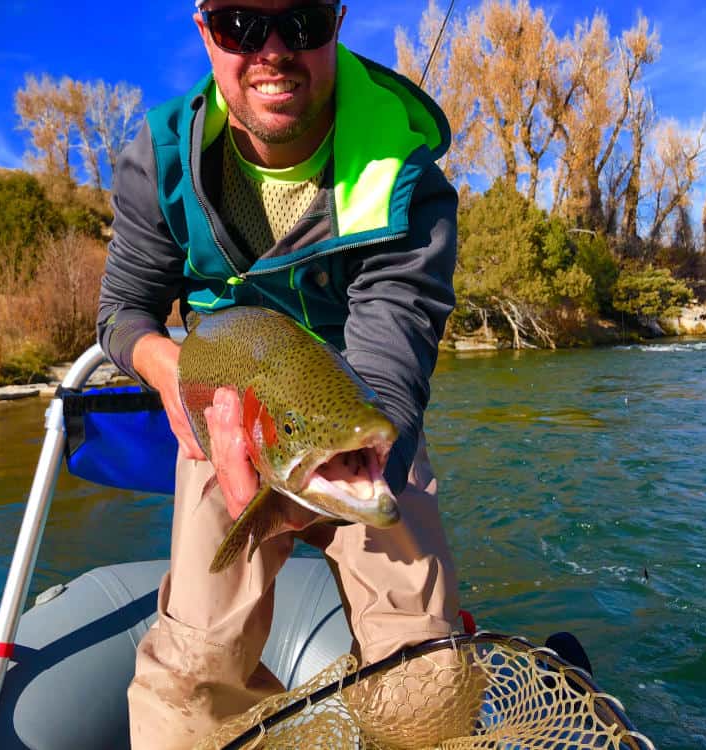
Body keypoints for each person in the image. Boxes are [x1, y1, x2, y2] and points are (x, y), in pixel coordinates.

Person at [97, 1, 462, 746]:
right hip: (222, 411)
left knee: (427, 679)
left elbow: (396, 339)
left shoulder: (403, 167)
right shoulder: (160, 156)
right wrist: (168, 370)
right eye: (239, 23)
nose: (271, 49)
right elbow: (123, 312)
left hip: (358, 406)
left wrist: (365, 448)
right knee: (190, 680)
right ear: (205, 31)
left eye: (298, 22)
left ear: (336, 20)